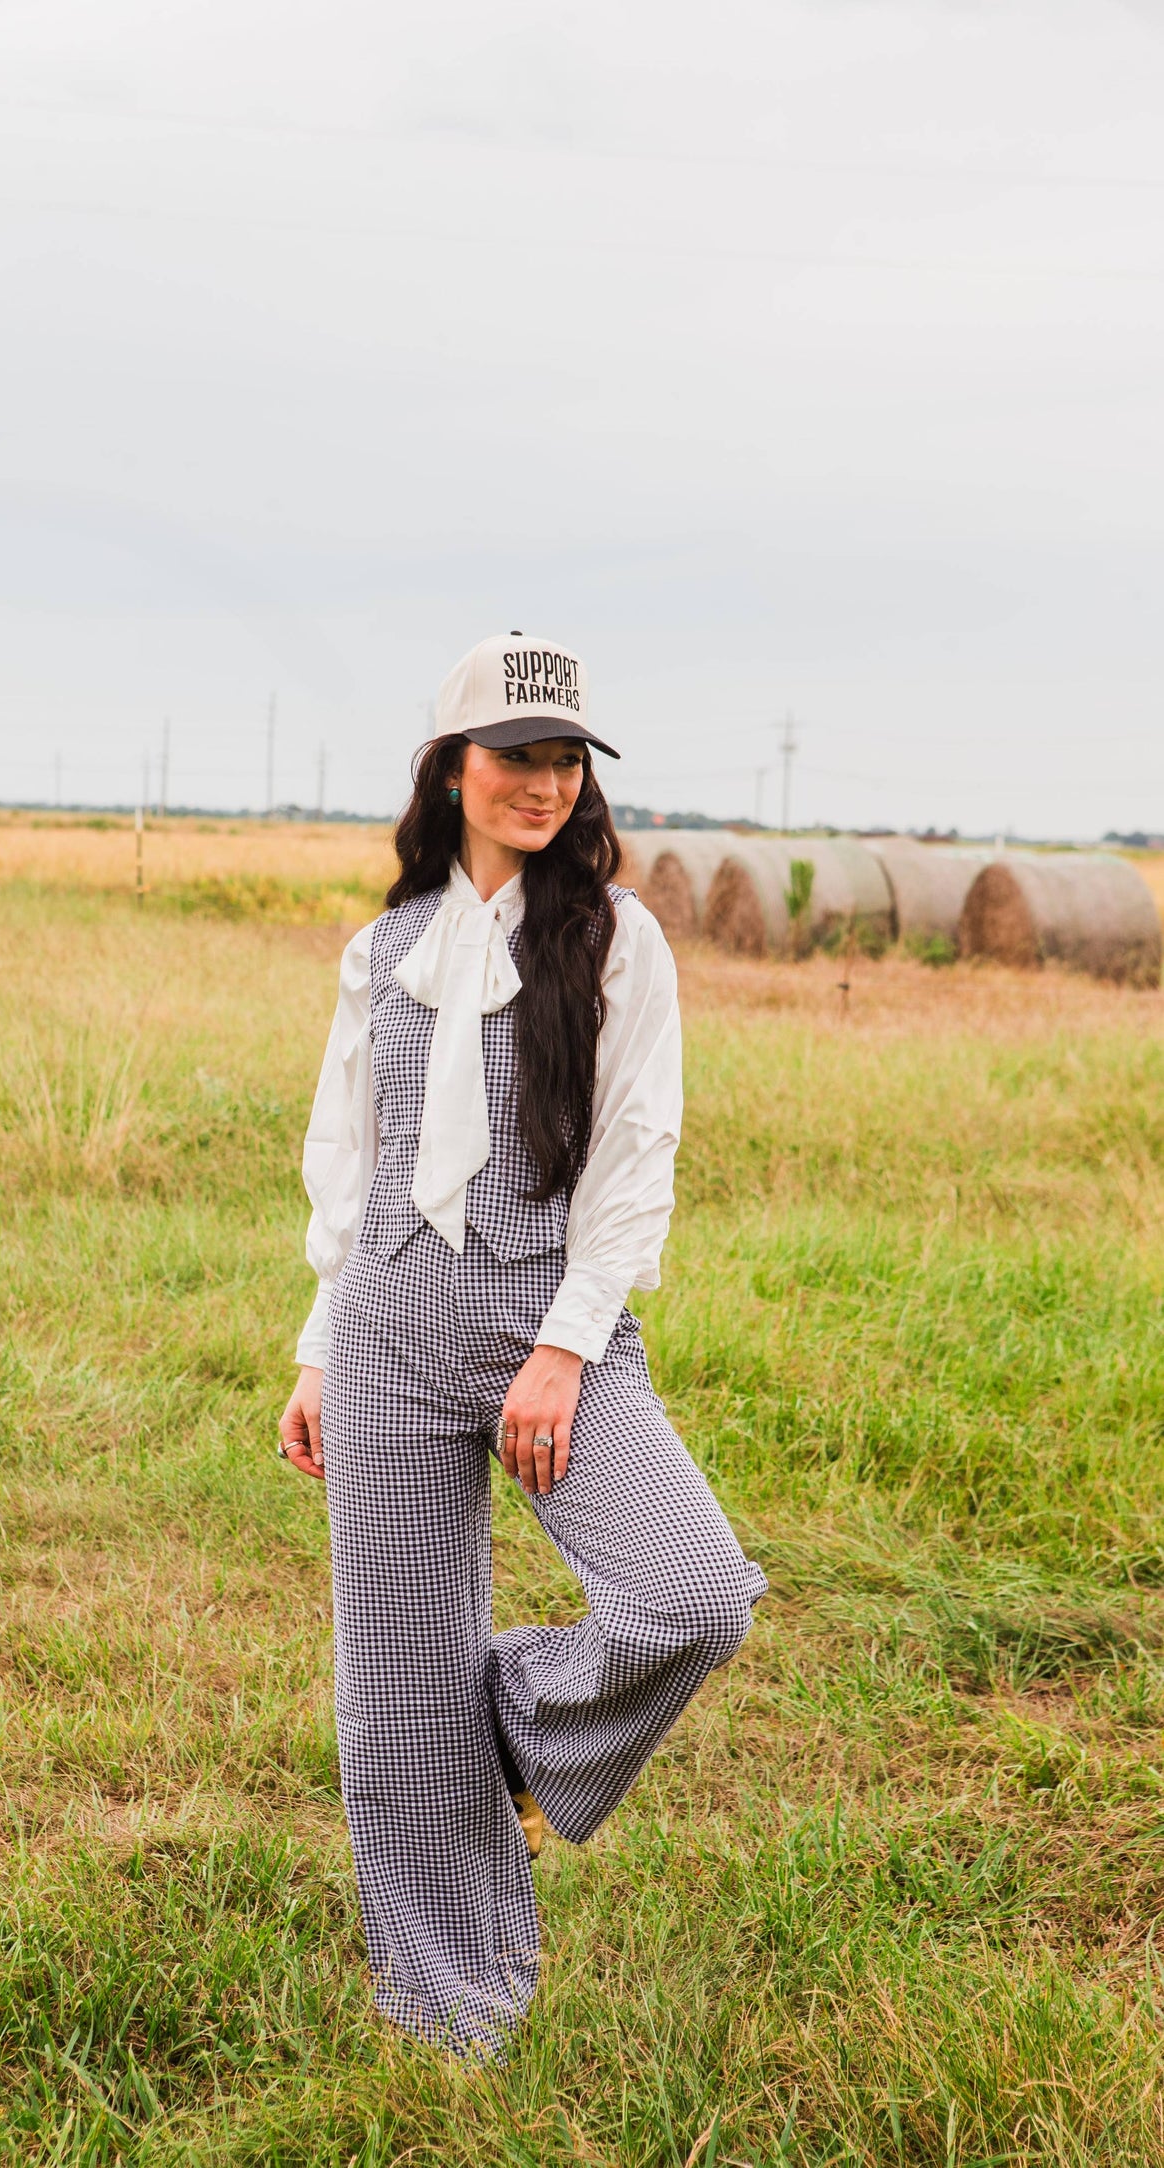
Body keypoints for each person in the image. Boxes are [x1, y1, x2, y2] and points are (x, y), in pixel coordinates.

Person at [278, 632, 766, 2056]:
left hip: (545, 1321)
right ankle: (448, 2016)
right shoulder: (382, 948)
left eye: (565, 759)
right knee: (389, 1697)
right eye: (515, 755)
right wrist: (319, 1343)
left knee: (690, 1597)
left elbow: (636, 1159)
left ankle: (507, 1716)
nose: (543, 783)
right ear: (452, 768)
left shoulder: (619, 936)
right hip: (383, 1323)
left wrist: (561, 1350)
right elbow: (346, 1161)